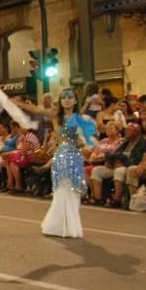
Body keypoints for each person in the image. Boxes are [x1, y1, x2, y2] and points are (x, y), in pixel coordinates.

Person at [41, 89, 96, 237]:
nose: (66, 100)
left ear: (75, 101)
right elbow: (63, 138)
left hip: (77, 157)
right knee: (63, 190)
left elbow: (89, 138)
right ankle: (60, 227)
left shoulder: (82, 119)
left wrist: (87, 146)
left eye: (70, 97)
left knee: (73, 192)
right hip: (64, 155)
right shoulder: (57, 118)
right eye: (63, 97)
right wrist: (18, 104)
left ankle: (67, 226)